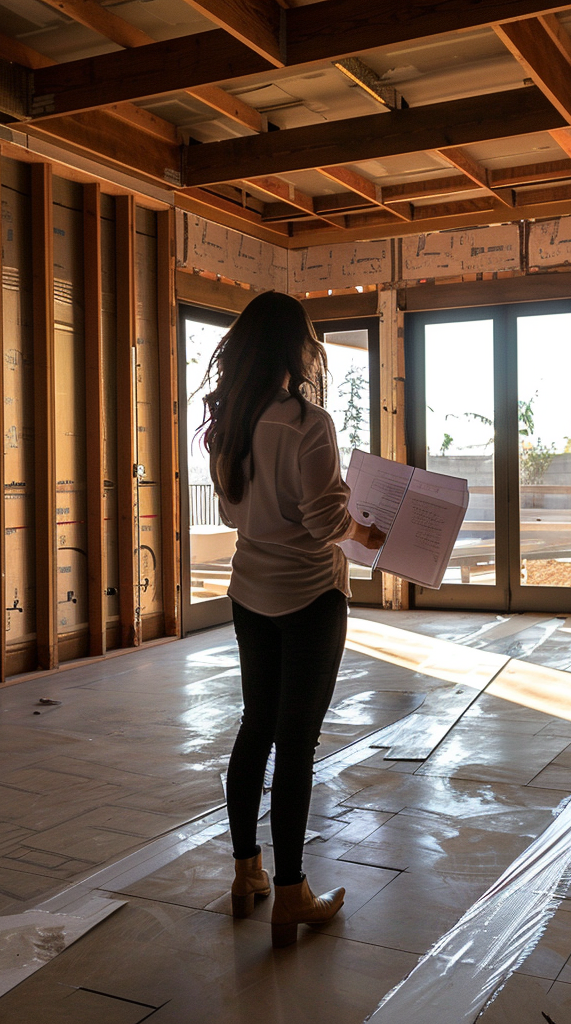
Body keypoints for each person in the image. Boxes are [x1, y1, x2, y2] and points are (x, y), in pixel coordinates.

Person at [200, 290, 384, 947]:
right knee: (297, 743)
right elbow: (326, 521)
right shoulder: (308, 422)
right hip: (310, 596)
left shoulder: (228, 422)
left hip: (249, 591)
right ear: (293, 347)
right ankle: (291, 894)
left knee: (255, 725)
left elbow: (231, 511)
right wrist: (366, 534)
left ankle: (246, 873)